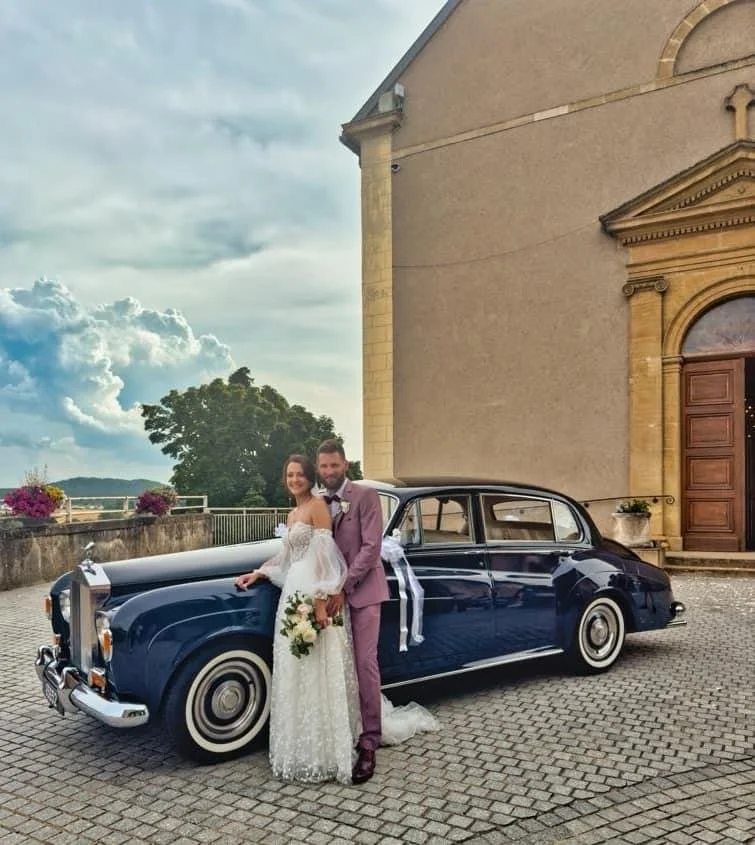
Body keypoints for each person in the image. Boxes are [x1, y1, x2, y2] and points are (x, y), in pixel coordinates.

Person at [234, 455, 360, 784]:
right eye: (289, 475)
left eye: (300, 475)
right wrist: (258, 572)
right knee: (294, 666)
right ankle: (298, 744)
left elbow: (326, 557)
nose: (294, 480)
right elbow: (287, 557)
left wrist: (320, 601)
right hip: (292, 589)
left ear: (309, 477)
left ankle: (326, 750)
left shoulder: (317, 506)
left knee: (316, 664)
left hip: (311, 590)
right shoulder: (292, 513)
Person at [316, 439, 388, 784]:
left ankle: (370, 740)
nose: (329, 471)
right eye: (324, 466)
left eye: (335, 465)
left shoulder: (365, 496)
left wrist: (343, 587)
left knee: (364, 664)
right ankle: (339, 732)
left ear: (345, 465)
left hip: (363, 593)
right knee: (334, 667)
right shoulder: (316, 502)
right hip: (329, 596)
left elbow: (372, 548)